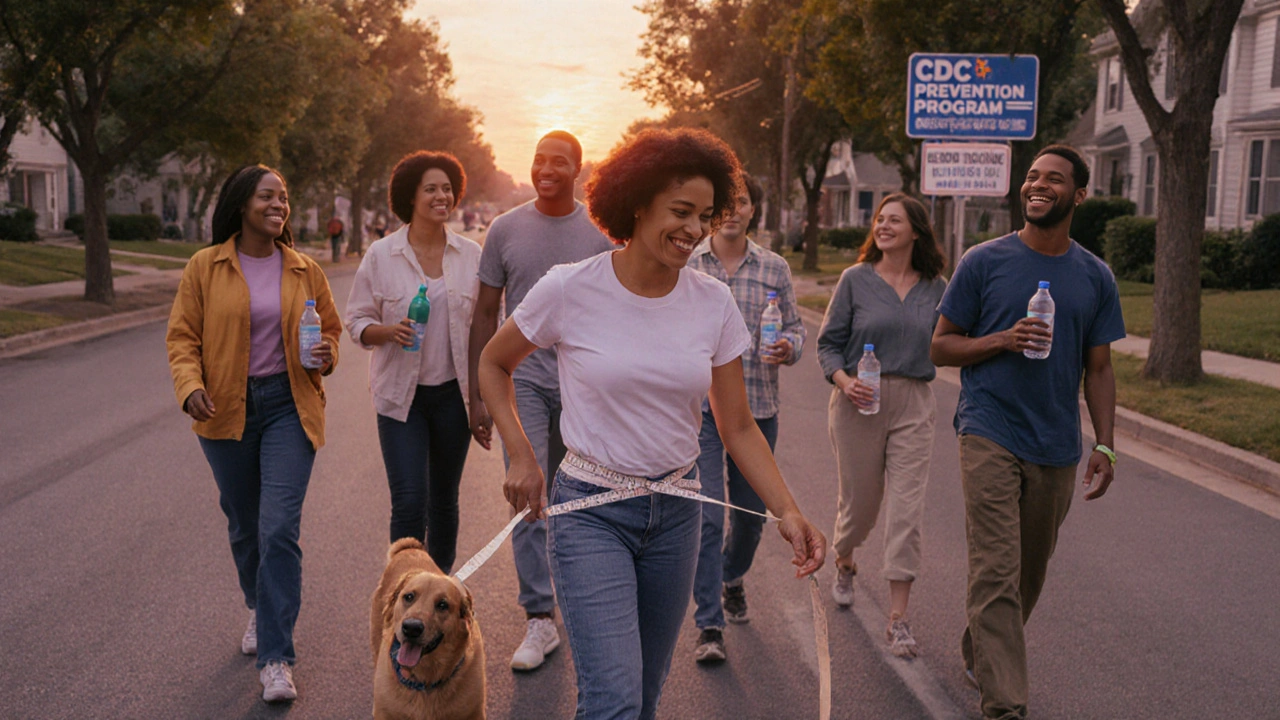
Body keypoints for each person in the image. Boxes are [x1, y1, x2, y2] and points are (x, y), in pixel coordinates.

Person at [477, 127, 826, 719]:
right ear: (637, 204)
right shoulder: (570, 287)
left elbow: (737, 426)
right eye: (680, 211)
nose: (694, 230)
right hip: (590, 511)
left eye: (705, 216)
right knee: (612, 701)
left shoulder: (712, 302)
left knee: (642, 700)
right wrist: (520, 455)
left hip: (676, 512)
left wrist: (787, 511)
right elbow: (493, 362)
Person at [930, 145, 1124, 720]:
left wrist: (1106, 444)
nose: (1038, 185)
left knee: (1027, 574)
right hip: (988, 427)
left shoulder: (1094, 275)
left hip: (1057, 443)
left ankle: (979, 648)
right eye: (1033, 176)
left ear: (1079, 194)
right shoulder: (984, 261)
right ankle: (1005, 705)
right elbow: (941, 345)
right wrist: (1000, 340)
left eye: (1055, 179)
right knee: (995, 566)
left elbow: (1100, 369)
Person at [166, 164, 341, 704]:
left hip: (290, 405)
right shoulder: (205, 267)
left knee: (278, 528)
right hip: (224, 408)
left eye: (284, 197)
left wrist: (326, 353)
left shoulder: (304, 269)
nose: (278, 205)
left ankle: (276, 657)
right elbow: (182, 337)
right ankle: (258, 605)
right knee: (244, 524)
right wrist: (189, 385)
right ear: (242, 203)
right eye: (268, 196)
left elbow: (329, 331)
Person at [466, 130, 614, 671]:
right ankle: (538, 617)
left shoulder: (601, 233)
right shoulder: (505, 229)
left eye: (559, 162)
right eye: (539, 159)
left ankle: (575, 601)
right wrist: (475, 396)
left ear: (579, 171)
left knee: (575, 496)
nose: (546, 168)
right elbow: (485, 315)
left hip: (581, 383)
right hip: (519, 379)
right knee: (527, 491)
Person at [816, 192, 948, 658]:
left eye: (894, 220)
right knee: (860, 506)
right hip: (857, 403)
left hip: (913, 401)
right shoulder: (855, 280)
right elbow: (828, 344)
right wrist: (845, 381)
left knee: (906, 511)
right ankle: (845, 558)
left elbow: (954, 338)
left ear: (916, 230)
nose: (884, 226)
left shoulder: (936, 286)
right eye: (879, 219)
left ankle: (898, 619)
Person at [686, 173, 807, 664]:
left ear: (754, 210)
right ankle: (708, 624)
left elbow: (797, 330)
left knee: (752, 522)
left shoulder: (774, 267)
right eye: (726, 203)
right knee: (708, 518)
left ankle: (731, 575)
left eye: (742, 203)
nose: (733, 210)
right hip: (700, 414)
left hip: (757, 411)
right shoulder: (691, 264)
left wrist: (788, 346)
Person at [345, 151, 482, 572]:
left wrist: (484, 400)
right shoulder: (382, 255)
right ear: (410, 195)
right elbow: (356, 321)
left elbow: (486, 331)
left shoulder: (471, 256)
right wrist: (388, 332)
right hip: (401, 400)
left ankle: (438, 596)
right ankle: (403, 594)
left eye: (447, 188)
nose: (442, 196)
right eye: (431, 189)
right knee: (408, 502)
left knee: (444, 500)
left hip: (452, 400)